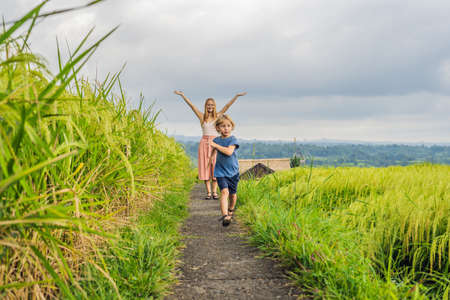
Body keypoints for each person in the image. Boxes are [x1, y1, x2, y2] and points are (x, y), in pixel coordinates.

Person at [174, 90, 246, 199]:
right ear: (205, 106)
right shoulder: (202, 117)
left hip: (216, 142)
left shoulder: (218, 116)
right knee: (205, 167)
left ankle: (215, 192)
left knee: (215, 166)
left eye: (212, 105)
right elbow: (192, 106)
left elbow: (227, 106)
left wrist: (236, 96)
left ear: (214, 106)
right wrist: (183, 95)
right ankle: (208, 192)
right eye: (208, 105)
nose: (210, 106)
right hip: (204, 143)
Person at [208, 114, 240, 226]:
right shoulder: (216, 140)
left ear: (232, 127)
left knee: (232, 194)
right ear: (218, 128)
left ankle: (231, 210)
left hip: (233, 172)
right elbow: (213, 151)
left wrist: (215, 146)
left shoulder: (233, 139)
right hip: (220, 171)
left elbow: (229, 152)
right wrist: (211, 158)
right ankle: (225, 215)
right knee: (224, 192)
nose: (226, 128)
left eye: (228, 126)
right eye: (223, 126)